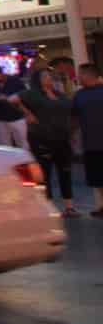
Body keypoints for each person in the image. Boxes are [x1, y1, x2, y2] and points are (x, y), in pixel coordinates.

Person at [21, 66, 77, 218]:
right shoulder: (32, 94)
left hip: (62, 138)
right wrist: (27, 113)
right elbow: (13, 99)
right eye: (45, 76)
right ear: (38, 80)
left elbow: (69, 108)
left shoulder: (59, 94)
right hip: (42, 138)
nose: (49, 78)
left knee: (65, 171)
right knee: (45, 173)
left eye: (49, 76)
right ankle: (49, 208)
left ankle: (69, 207)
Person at [74, 64, 103, 219]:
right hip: (91, 144)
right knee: (98, 179)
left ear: (89, 75)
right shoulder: (79, 95)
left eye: (80, 74)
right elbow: (74, 117)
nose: (78, 77)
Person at [0, 69, 29, 151]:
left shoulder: (15, 81)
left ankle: (25, 161)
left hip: (16, 117)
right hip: (0, 119)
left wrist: (8, 98)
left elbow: (24, 95)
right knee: (4, 145)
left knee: (22, 143)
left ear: (2, 73)